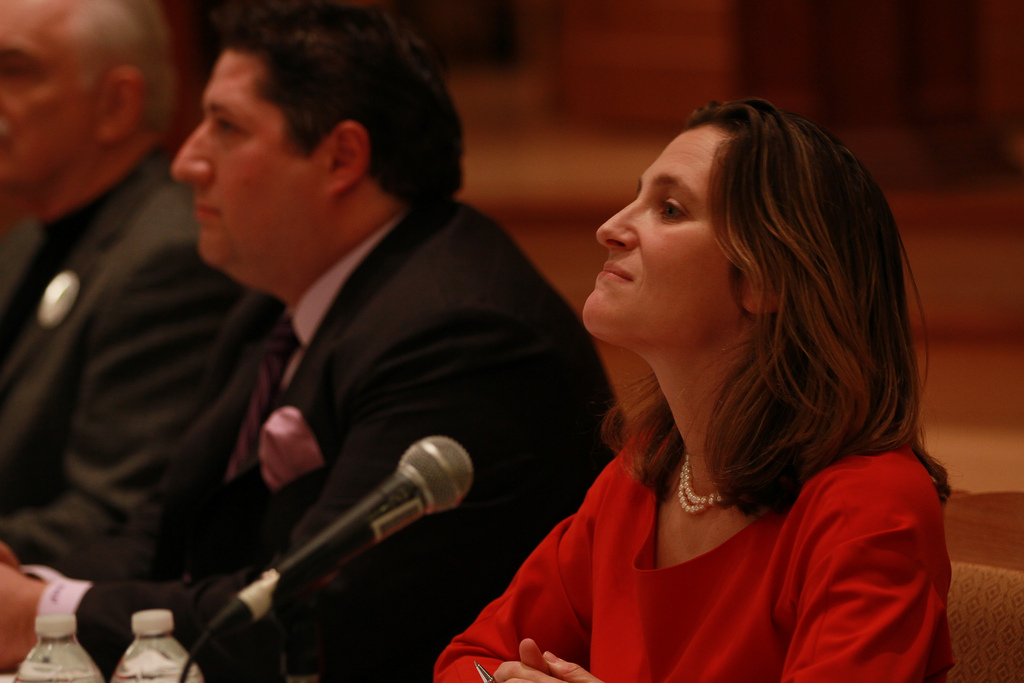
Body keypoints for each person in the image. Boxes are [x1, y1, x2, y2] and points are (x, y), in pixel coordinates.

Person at [0, 0, 611, 680]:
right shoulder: (285, 295)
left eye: (226, 127)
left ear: (342, 157)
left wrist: (39, 612)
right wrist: (29, 584)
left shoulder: (462, 334)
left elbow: (310, 618)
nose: (187, 162)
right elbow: (167, 528)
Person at [435, 98, 954, 682]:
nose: (610, 228)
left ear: (766, 279)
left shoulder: (870, 510)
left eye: (670, 209)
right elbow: (467, 661)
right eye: (636, 197)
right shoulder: (643, 475)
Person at [0, 0, 240, 563]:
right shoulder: (24, 239)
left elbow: (113, 516)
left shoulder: (171, 258)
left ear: (116, 104)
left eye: (14, 70)